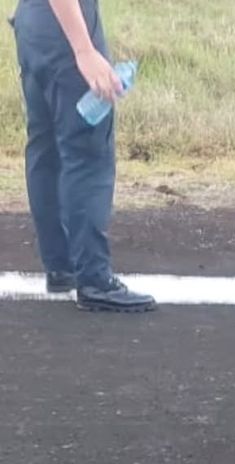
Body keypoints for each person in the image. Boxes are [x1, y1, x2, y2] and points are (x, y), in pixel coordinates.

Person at [10, 0, 156, 312]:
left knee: (46, 148)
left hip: (34, 23)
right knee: (88, 153)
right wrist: (84, 50)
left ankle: (62, 265)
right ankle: (93, 277)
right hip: (66, 28)